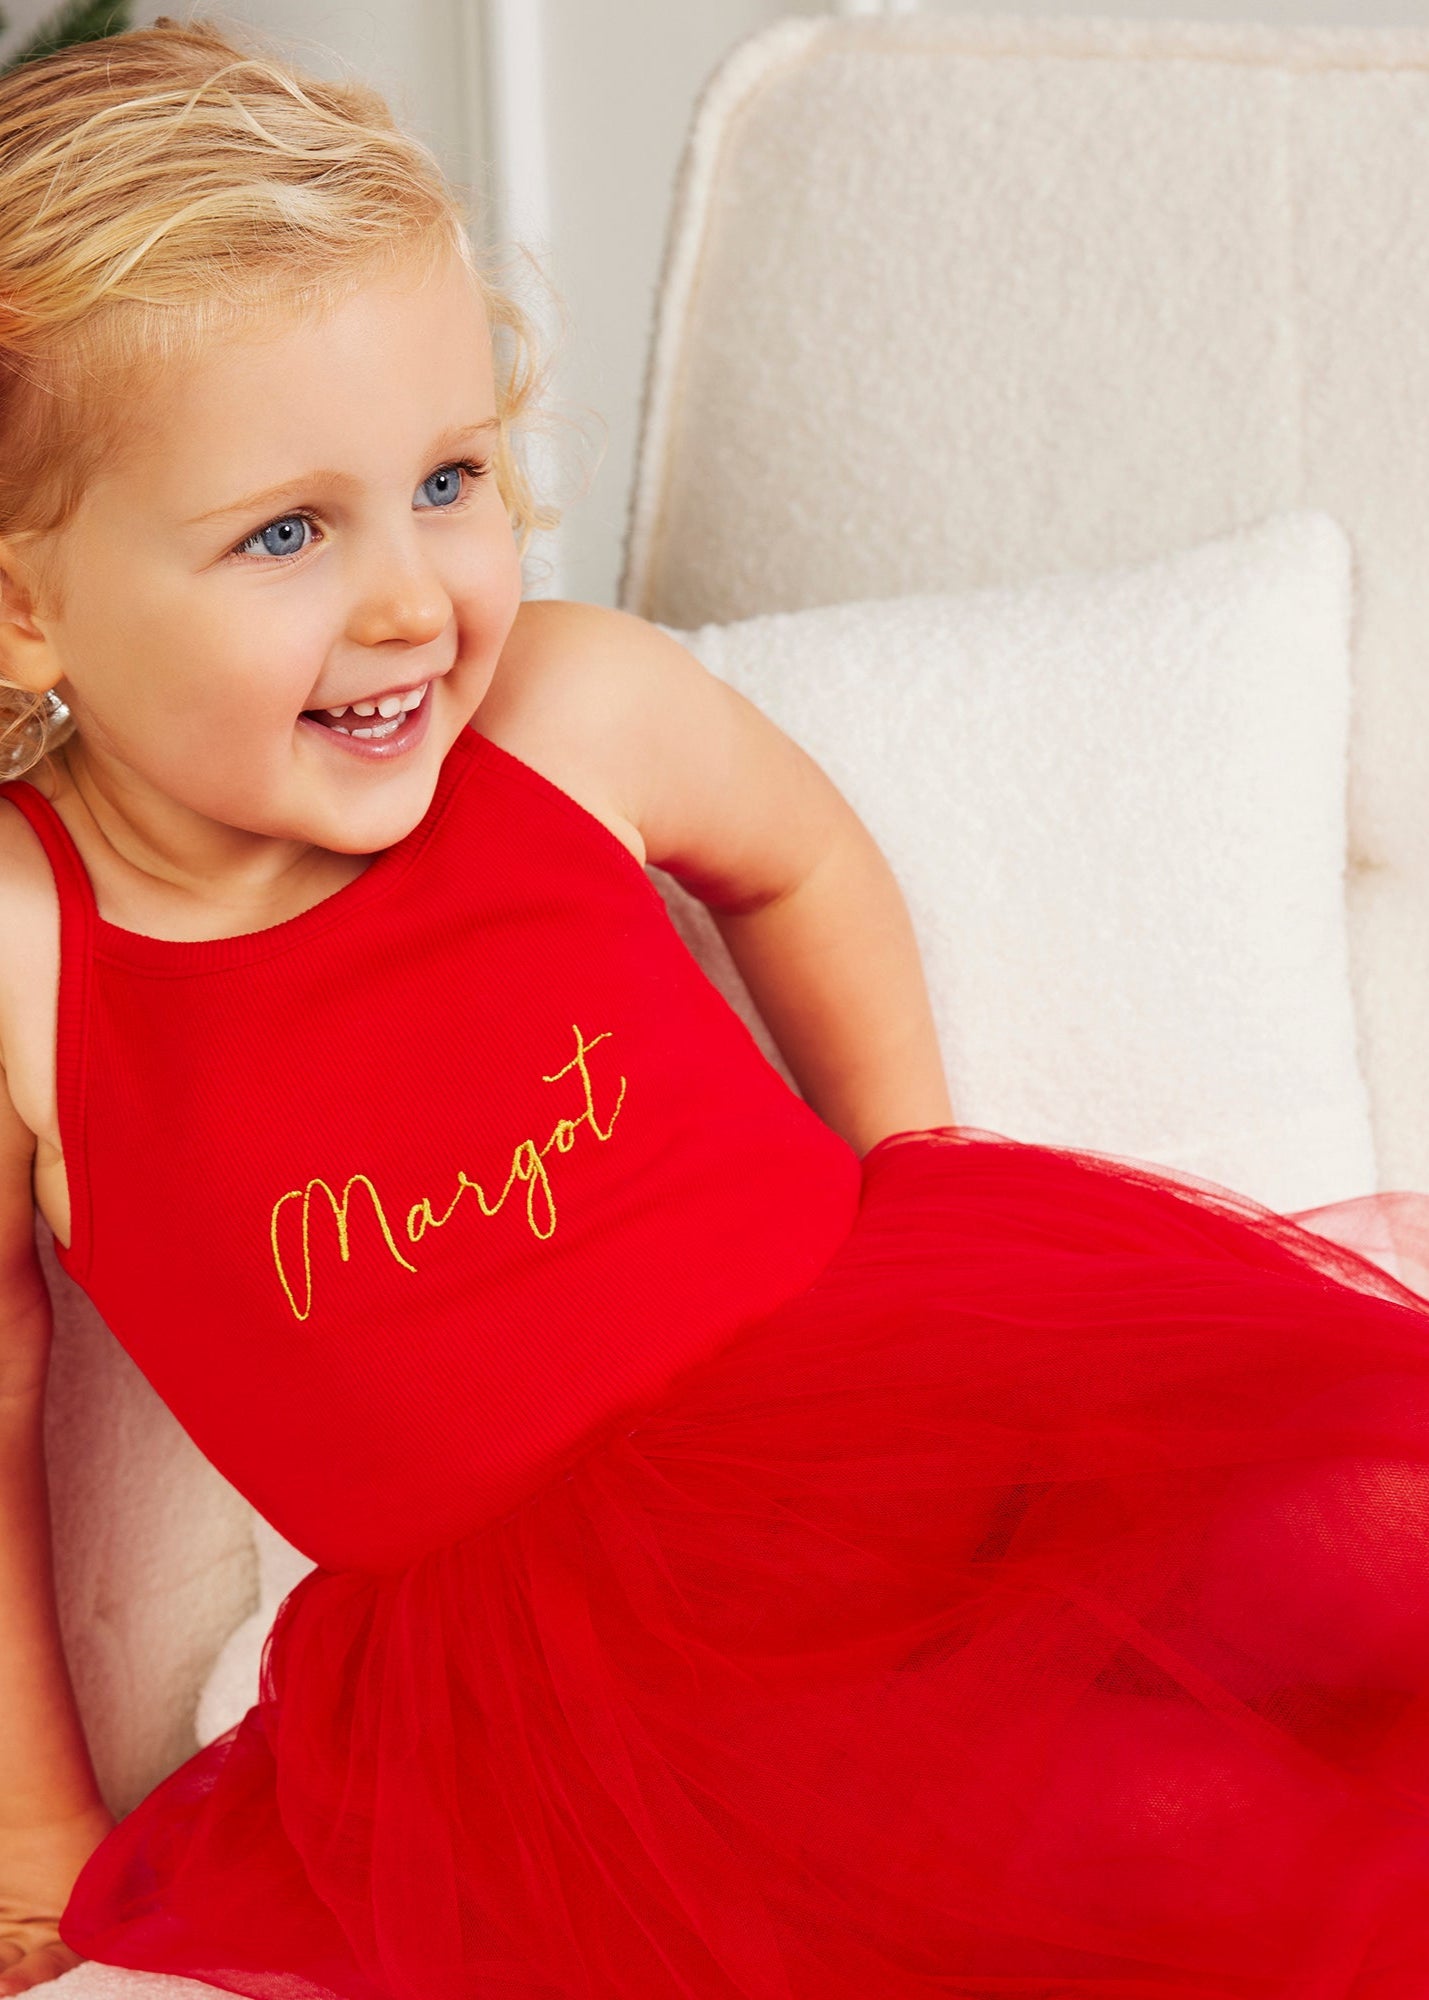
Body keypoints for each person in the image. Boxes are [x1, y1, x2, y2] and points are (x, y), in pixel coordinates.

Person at [2, 17, 1428, 2000]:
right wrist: (36, 1836)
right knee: (1138, 1836)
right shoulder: (25, 939)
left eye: (446, 479)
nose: (414, 598)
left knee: (1365, 1527)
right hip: (593, 1675)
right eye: (284, 532)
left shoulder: (565, 709)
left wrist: (919, 1176)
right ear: (25, 604)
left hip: (891, 1402)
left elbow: (798, 857)